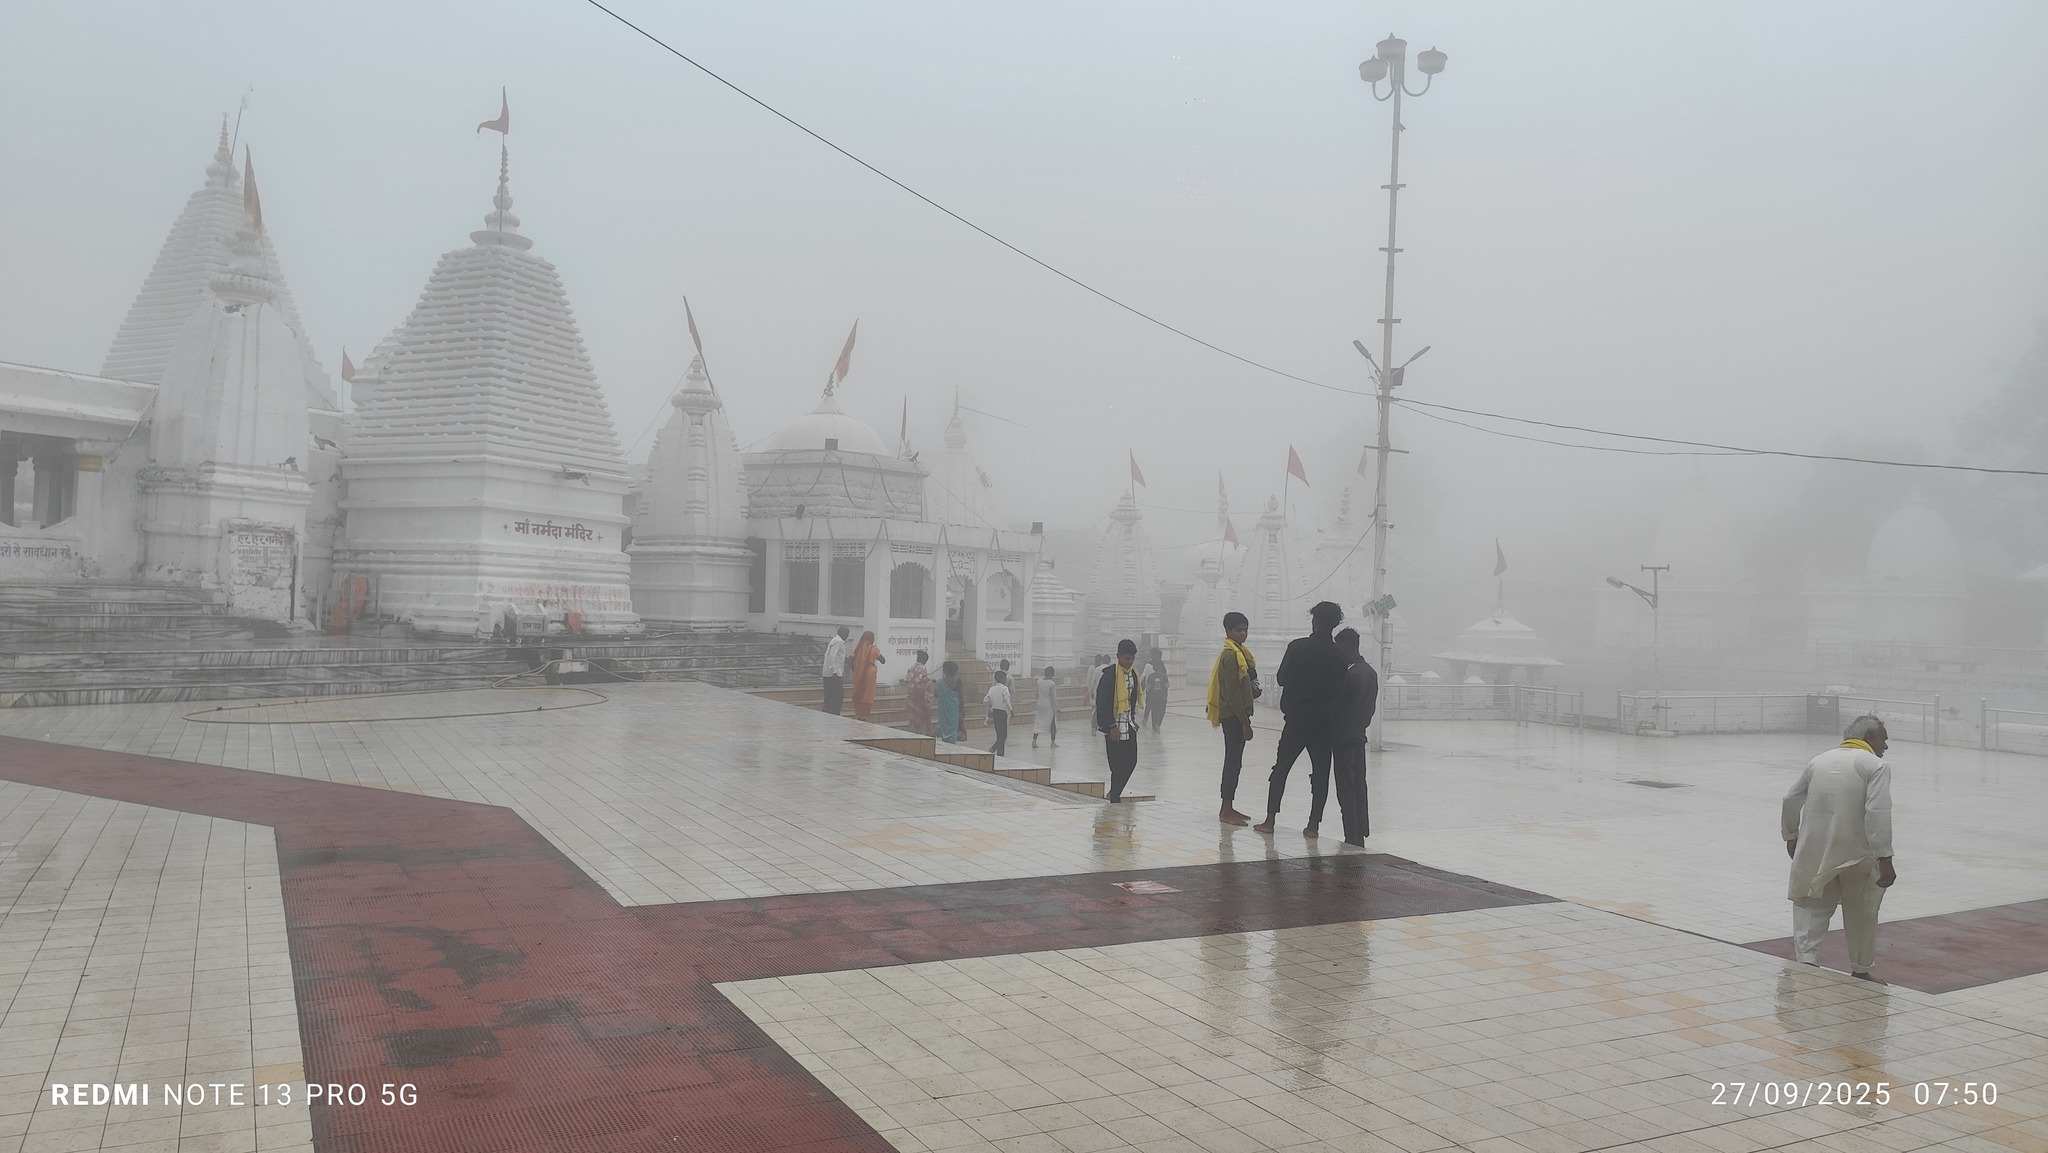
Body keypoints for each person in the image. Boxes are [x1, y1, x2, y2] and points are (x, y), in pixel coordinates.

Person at [1783, 715, 1897, 982]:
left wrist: (1791, 835)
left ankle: (1807, 962)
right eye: (1884, 739)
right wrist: (1884, 857)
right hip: (1857, 854)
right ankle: (1861, 969)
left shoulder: (1818, 760)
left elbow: (1790, 798)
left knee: (1810, 905)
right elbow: (1878, 811)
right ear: (1869, 737)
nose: (1886, 746)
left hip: (1815, 851)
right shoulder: (1876, 765)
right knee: (1862, 911)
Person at [1253, 602, 1348, 837]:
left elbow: (1282, 678)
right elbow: (1341, 691)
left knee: (1281, 769)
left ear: (1314, 621)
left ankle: (1270, 820)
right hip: (1325, 720)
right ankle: (1313, 825)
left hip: (1296, 719)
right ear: (1335, 624)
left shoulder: (1297, 648)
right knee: (1321, 773)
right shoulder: (1339, 655)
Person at [1207, 611, 1260, 826]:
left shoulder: (1241, 653)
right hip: (1233, 717)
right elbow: (1231, 692)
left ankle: (1229, 806)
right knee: (1232, 762)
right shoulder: (1230, 655)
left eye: (1245, 629)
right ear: (1228, 631)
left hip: (1239, 715)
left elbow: (1241, 685)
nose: (1243, 633)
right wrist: (1245, 723)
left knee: (1235, 762)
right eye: (1239, 630)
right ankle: (1225, 809)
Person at [1330, 628, 1379, 847]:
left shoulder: (1349, 674)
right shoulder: (1369, 672)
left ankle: (1351, 833)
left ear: (1344, 647)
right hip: (1359, 736)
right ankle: (1361, 831)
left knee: (1346, 789)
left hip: (1343, 738)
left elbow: (1338, 706)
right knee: (1360, 785)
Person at [1095, 640, 1145, 802]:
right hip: (1114, 726)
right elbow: (1102, 703)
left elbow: (1132, 699)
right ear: (1118, 657)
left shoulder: (1134, 675)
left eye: (1132, 659)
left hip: (1128, 724)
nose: (1129, 662)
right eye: (1126, 659)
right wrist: (1111, 726)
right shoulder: (1109, 676)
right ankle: (1114, 798)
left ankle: (1114, 793)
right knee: (1116, 766)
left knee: (1131, 761)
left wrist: (1133, 718)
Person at [849, 630, 886, 720]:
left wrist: (857, 671)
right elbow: (883, 661)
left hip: (858, 674)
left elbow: (850, 662)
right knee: (867, 694)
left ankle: (858, 715)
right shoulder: (874, 649)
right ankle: (864, 716)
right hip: (870, 673)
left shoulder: (857, 649)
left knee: (859, 693)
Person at [903, 650, 934, 736]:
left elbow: (906, 681)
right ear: (925, 660)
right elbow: (923, 682)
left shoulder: (910, 668)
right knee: (922, 718)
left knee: (913, 718)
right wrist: (929, 682)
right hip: (920, 699)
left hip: (911, 698)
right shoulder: (923, 668)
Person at [821, 626, 850, 715]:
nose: (848, 636)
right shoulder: (838, 641)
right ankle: (834, 715)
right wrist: (833, 671)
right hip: (833, 674)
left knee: (829, 696)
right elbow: (831, 656)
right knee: (838, 696)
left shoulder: (836, 640)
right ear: (843, 633)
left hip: (831, 673)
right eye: (847, 634)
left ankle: (827, 714)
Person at [1143, 648, 1170, 734]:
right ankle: (1158, 724)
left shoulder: (1149, 670)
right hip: (1162, 696)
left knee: (1152, 709)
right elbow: (1166, 686)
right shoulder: (1163, 669)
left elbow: (1148, 686)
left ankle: (1153, 724)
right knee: (1161, 710)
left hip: (1152, 695)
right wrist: (1165, 694)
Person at [985, 671, 1012, 756]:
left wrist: (991, 705)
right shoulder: (1005, 689)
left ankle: (996, 749)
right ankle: (1000, 753)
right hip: (1002, 713)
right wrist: (1011, 710)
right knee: (1003, 735)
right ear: (1002, 679)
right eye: (1005, 678)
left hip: (995, 712)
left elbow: (985, 700)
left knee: (999, 734)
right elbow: (1007, 700)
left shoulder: (992, 689)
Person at [935, 660, 963, 743]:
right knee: (953, 730)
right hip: (954, 711)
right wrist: (962, 711)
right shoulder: (958, 682)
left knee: (943, 728)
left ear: (944, 671)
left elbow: (936, 694)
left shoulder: (940, 683)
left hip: (943, 713)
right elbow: (961, 699)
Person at [1033, 666, 1059, 749]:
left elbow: (1036, 693)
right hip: (1048, 706)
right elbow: (1053, 697)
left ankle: (1034, 741)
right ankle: (1053, 742)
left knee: (1038, 723)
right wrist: (1056, 707)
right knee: (1052, 724)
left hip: (1040, 704)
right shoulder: (1052, 684)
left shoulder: (1039, 681)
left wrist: (1036, 702)